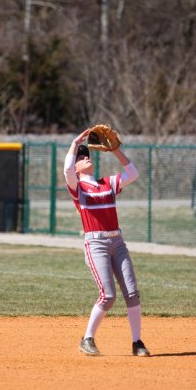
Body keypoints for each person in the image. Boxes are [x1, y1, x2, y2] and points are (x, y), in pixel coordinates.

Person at [64, 128, 150, 357]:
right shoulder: (78, 188)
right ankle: (87, 339)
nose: (85, 158)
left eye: (87, 155)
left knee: (132, 293)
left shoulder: (107, 183)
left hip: (117, 242)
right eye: (80, 158)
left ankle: (137, 343)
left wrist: (116, 150)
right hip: (96, 245)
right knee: (108, 295)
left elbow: (133, 173)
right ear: (75, 167)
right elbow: (66, 170)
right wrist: (75, 143)